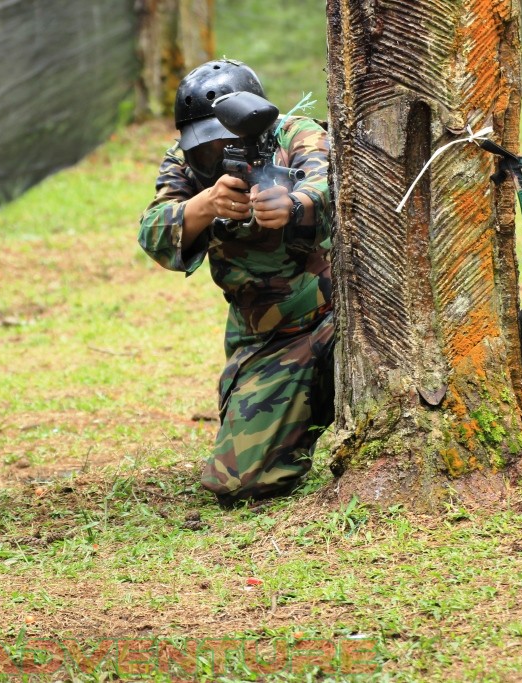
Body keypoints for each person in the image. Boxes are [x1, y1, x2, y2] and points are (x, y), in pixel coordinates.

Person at [137, 59, 335, 506]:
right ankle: (306, 405)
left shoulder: (298, 134)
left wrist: (294, 206)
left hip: (345, 319)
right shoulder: (185, 164)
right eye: (208, 149)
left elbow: (330, 186)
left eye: (231, 141)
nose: (222, 153)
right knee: (238, 483)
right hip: (268, 340)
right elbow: (153, 230)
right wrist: (205, 205)